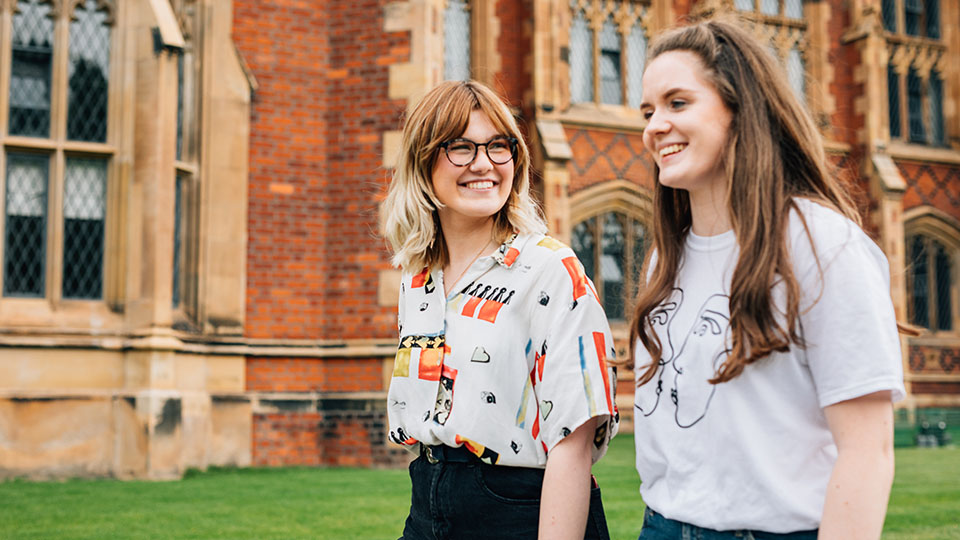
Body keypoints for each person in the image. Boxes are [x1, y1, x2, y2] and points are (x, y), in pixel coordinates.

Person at [629, 19, 905, 540]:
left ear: (740, 109)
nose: (654, 126)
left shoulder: (821, 244)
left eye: (677, 103)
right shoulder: (665, 258)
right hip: (662, 526)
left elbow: (868, 451)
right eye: (648, 111)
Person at [380, 80, 619, 540]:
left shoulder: (549, 268)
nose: (483, 163)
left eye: (498, 146)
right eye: (461, 147)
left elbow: (573, 441)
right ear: (422, 161)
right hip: (428, 500)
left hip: (521, 509)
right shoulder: (417, 278)